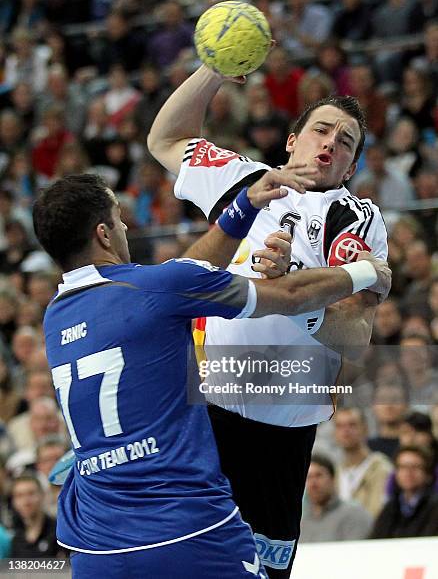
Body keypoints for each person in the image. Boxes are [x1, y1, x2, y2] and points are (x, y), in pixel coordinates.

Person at [33, 173, 389, 578]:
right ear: (103, 233)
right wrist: (366, 271)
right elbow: (289, 296)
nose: (126, 226)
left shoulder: (55, 316)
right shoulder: (157, 289)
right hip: (187, 529)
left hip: (94, 544)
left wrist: (245, 207)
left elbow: (186, 270)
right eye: (118, 218)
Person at [147, 64, 389, 577]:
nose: (331, 144)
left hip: (282, 433)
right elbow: (165, 138)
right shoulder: (245, 180)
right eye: (321, 131)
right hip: (206, 413)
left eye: (346, 143)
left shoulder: (352, 219)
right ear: (293, 141)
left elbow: (356, 337)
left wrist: (297, 296)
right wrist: (213, 70)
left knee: (261, 571)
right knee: (179, 560)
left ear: (348, 169)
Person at [300, 453, 372, 542]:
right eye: (308, 477)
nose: (313, 483)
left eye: (319, 475)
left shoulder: (354, 514)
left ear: (333, 478)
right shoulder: (301, 521)